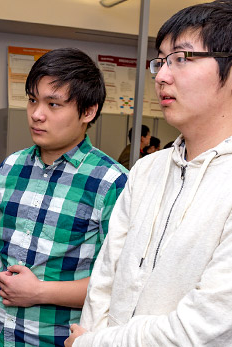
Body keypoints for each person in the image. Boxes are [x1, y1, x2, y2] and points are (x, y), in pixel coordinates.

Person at [66, 1, 232, 345]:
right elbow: (106, 274)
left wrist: (92, 343)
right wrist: (93, 335)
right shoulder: (147, 168)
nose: (161, 75)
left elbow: (202, 325)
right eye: (161, 60)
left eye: (182, 58)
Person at [0, 48, 128, 347]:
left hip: (55, 340)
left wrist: (39, 292)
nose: (36, 113)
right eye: (33, 99)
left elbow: (118, 283)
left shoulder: (112, 182)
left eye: (54, 104)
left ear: (88, 111)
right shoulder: (11, 167)